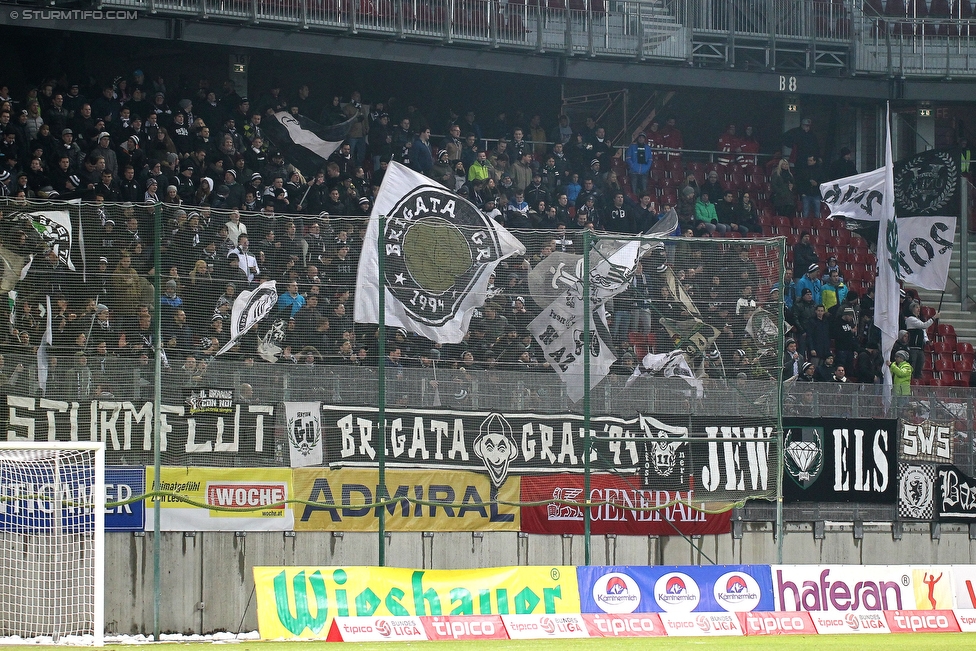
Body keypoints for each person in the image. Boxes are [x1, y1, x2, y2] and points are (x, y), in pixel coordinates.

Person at [905, 300, 939, 379]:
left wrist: (926, 341)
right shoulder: (910, 319)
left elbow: (923, 333)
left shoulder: (918, 320)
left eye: (919, 307)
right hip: (913, 348)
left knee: (919, 369)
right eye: (916, 307)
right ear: (912, 309)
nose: (918, 309)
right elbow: (924, 326)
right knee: (912, 368)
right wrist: (934, 318)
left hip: (920, 349)